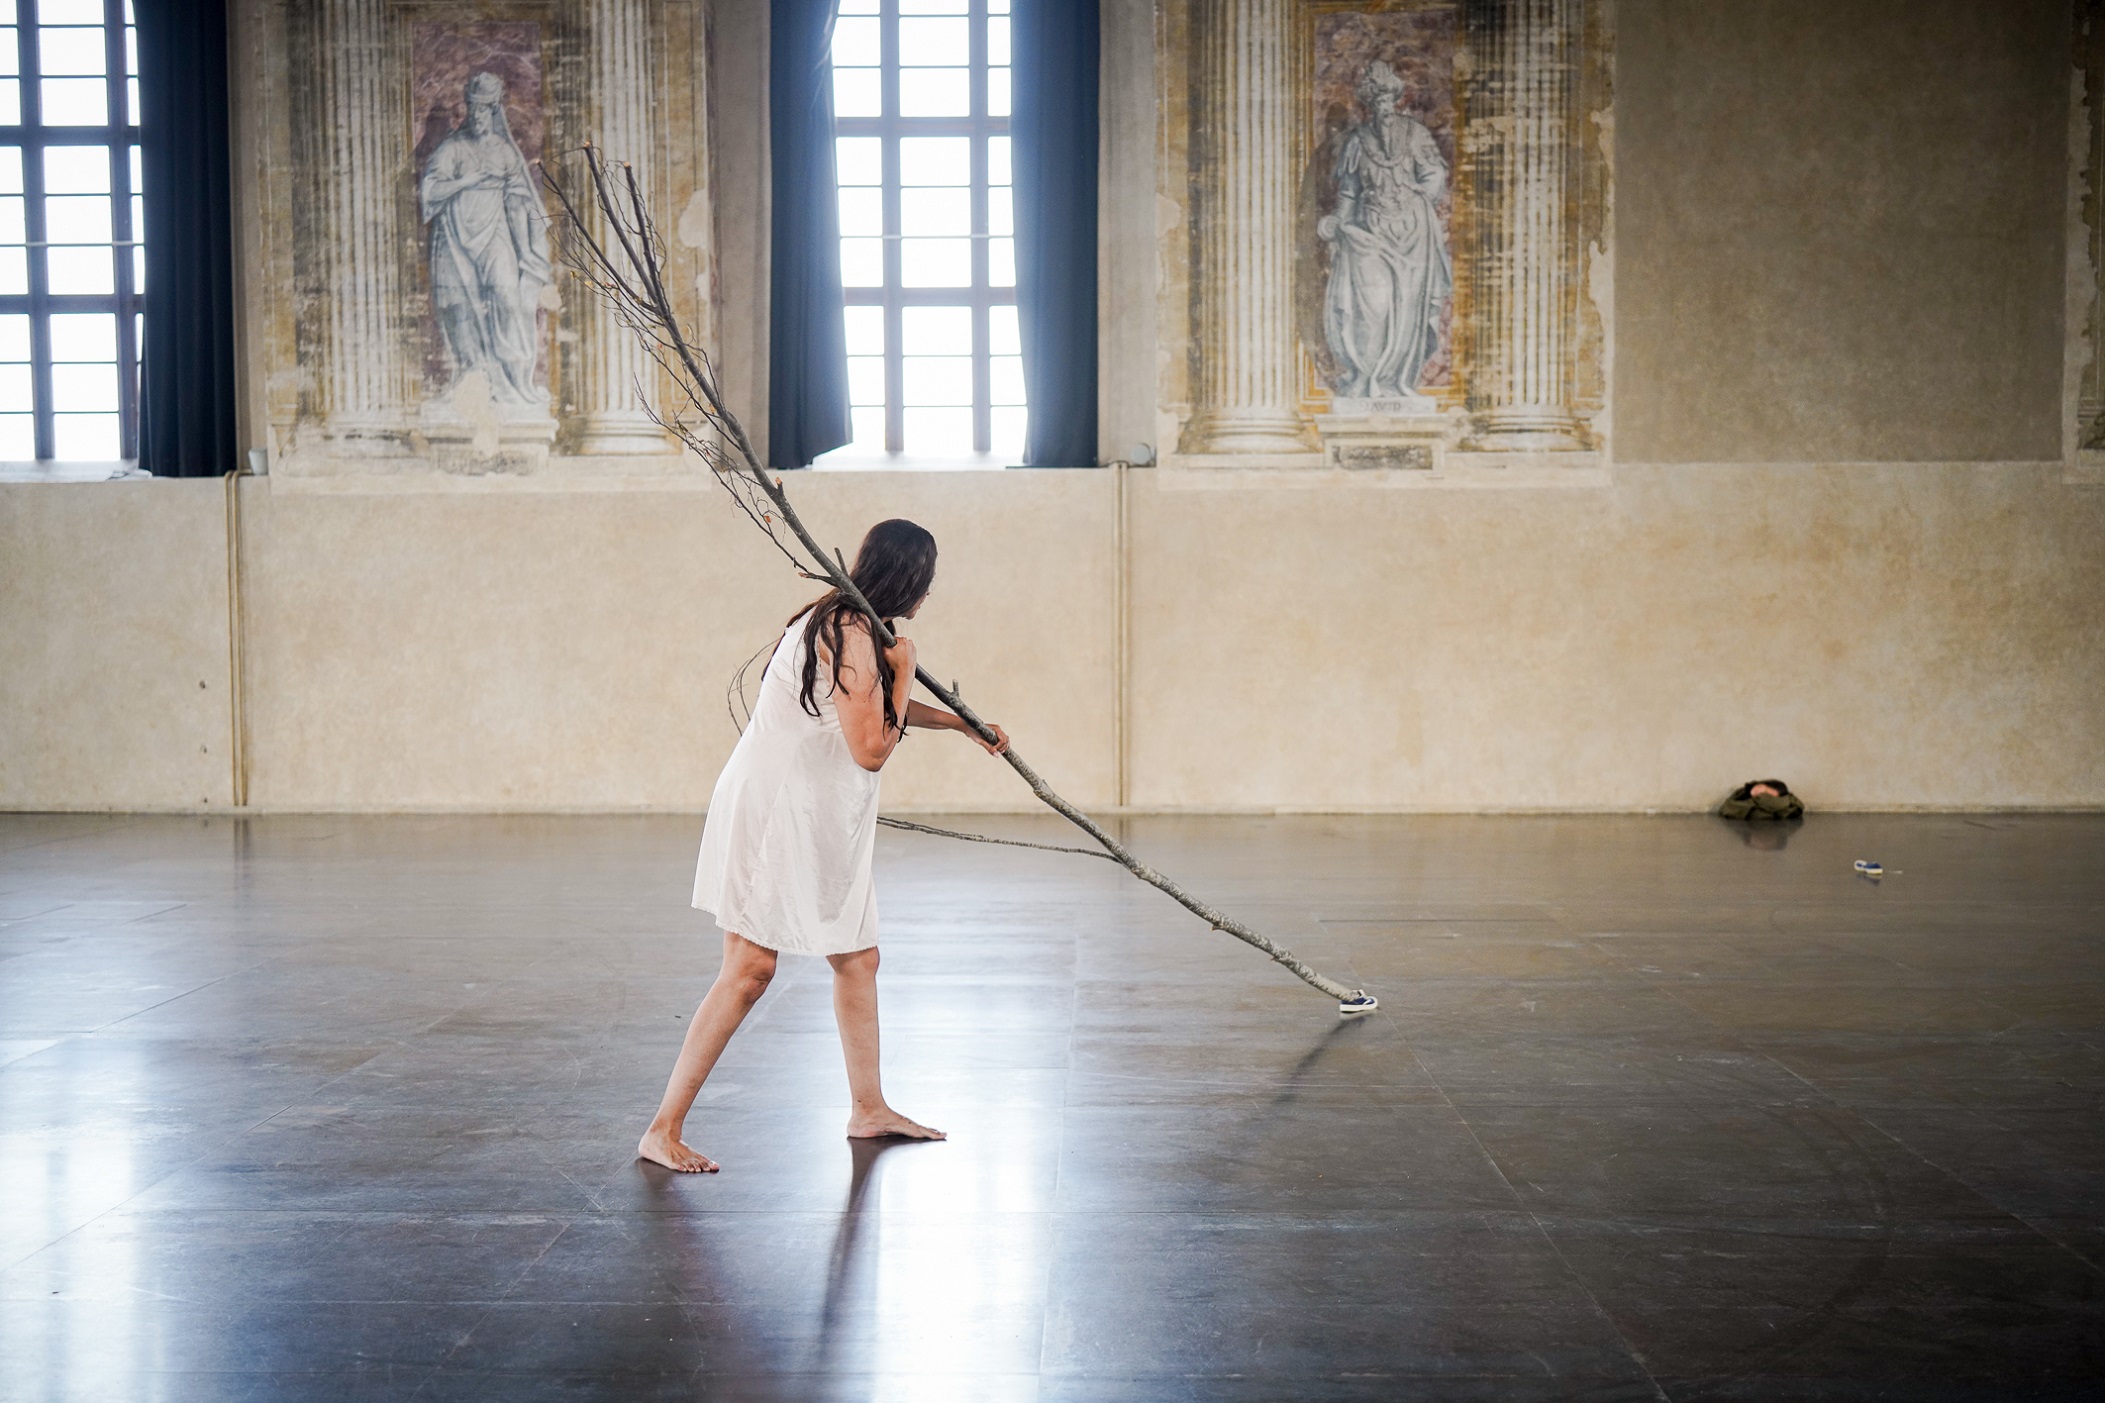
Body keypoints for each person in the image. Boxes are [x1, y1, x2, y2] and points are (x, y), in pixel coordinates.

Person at [638, 519, 1010, 1173]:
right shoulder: (846, 631)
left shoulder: (857, 628)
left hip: (816, 812)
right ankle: (661, 1128)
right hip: (776, 810)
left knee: (856, 957)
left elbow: (864, 700)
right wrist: (906, 669)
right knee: (750, 969)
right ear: (907, 578)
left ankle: (868, 1108)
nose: (926, 594)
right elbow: (871, 747)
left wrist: (957, 722)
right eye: (924, 581)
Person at [418, 70, 550, 405]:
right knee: (460, 306)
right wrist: (468, 180)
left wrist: (526, 250)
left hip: (495, 236)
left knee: (507, 296)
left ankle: (514, 377)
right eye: (473, 108)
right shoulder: (452, 149)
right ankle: (472, 373)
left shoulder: (505, 154)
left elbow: (519, 203)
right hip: (455, 239)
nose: (478, 115)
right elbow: (430, 192)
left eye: (486, 109)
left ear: (495, 111)